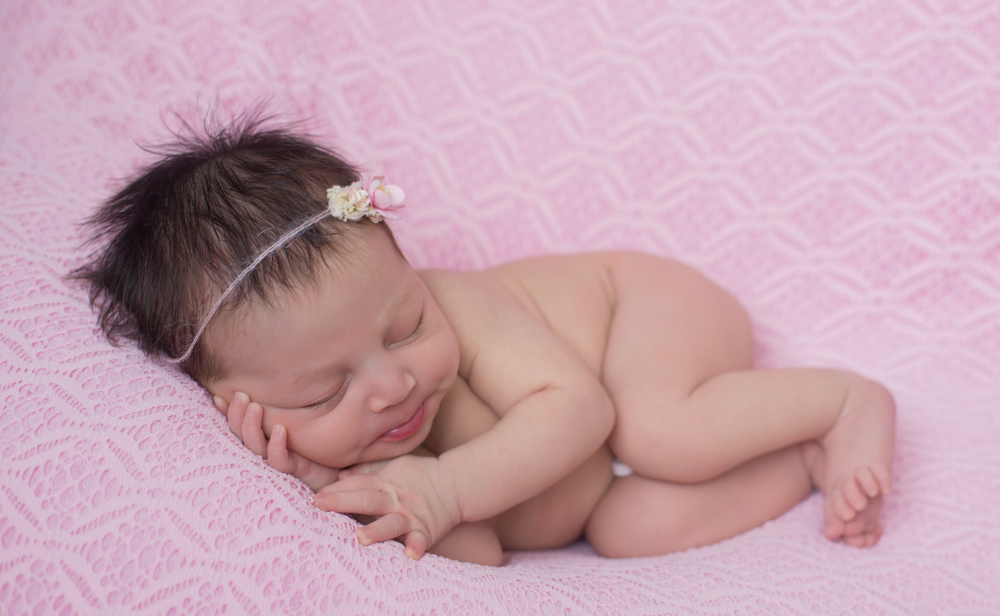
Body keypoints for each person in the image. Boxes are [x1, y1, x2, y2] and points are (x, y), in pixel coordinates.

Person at [74, 114, 896, 566]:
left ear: (410, 271)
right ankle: (801, 458)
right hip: (600, 493)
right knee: (626, 532)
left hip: (640, 317)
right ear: (239, 408)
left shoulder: (462, 305)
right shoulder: (357, 455)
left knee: (658, 426)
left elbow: (579, 406)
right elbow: (476, 549)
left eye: (407, 325)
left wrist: (448, 486)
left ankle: (848, 397)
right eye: (326, 392)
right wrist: (350, 483)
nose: (393, 384)